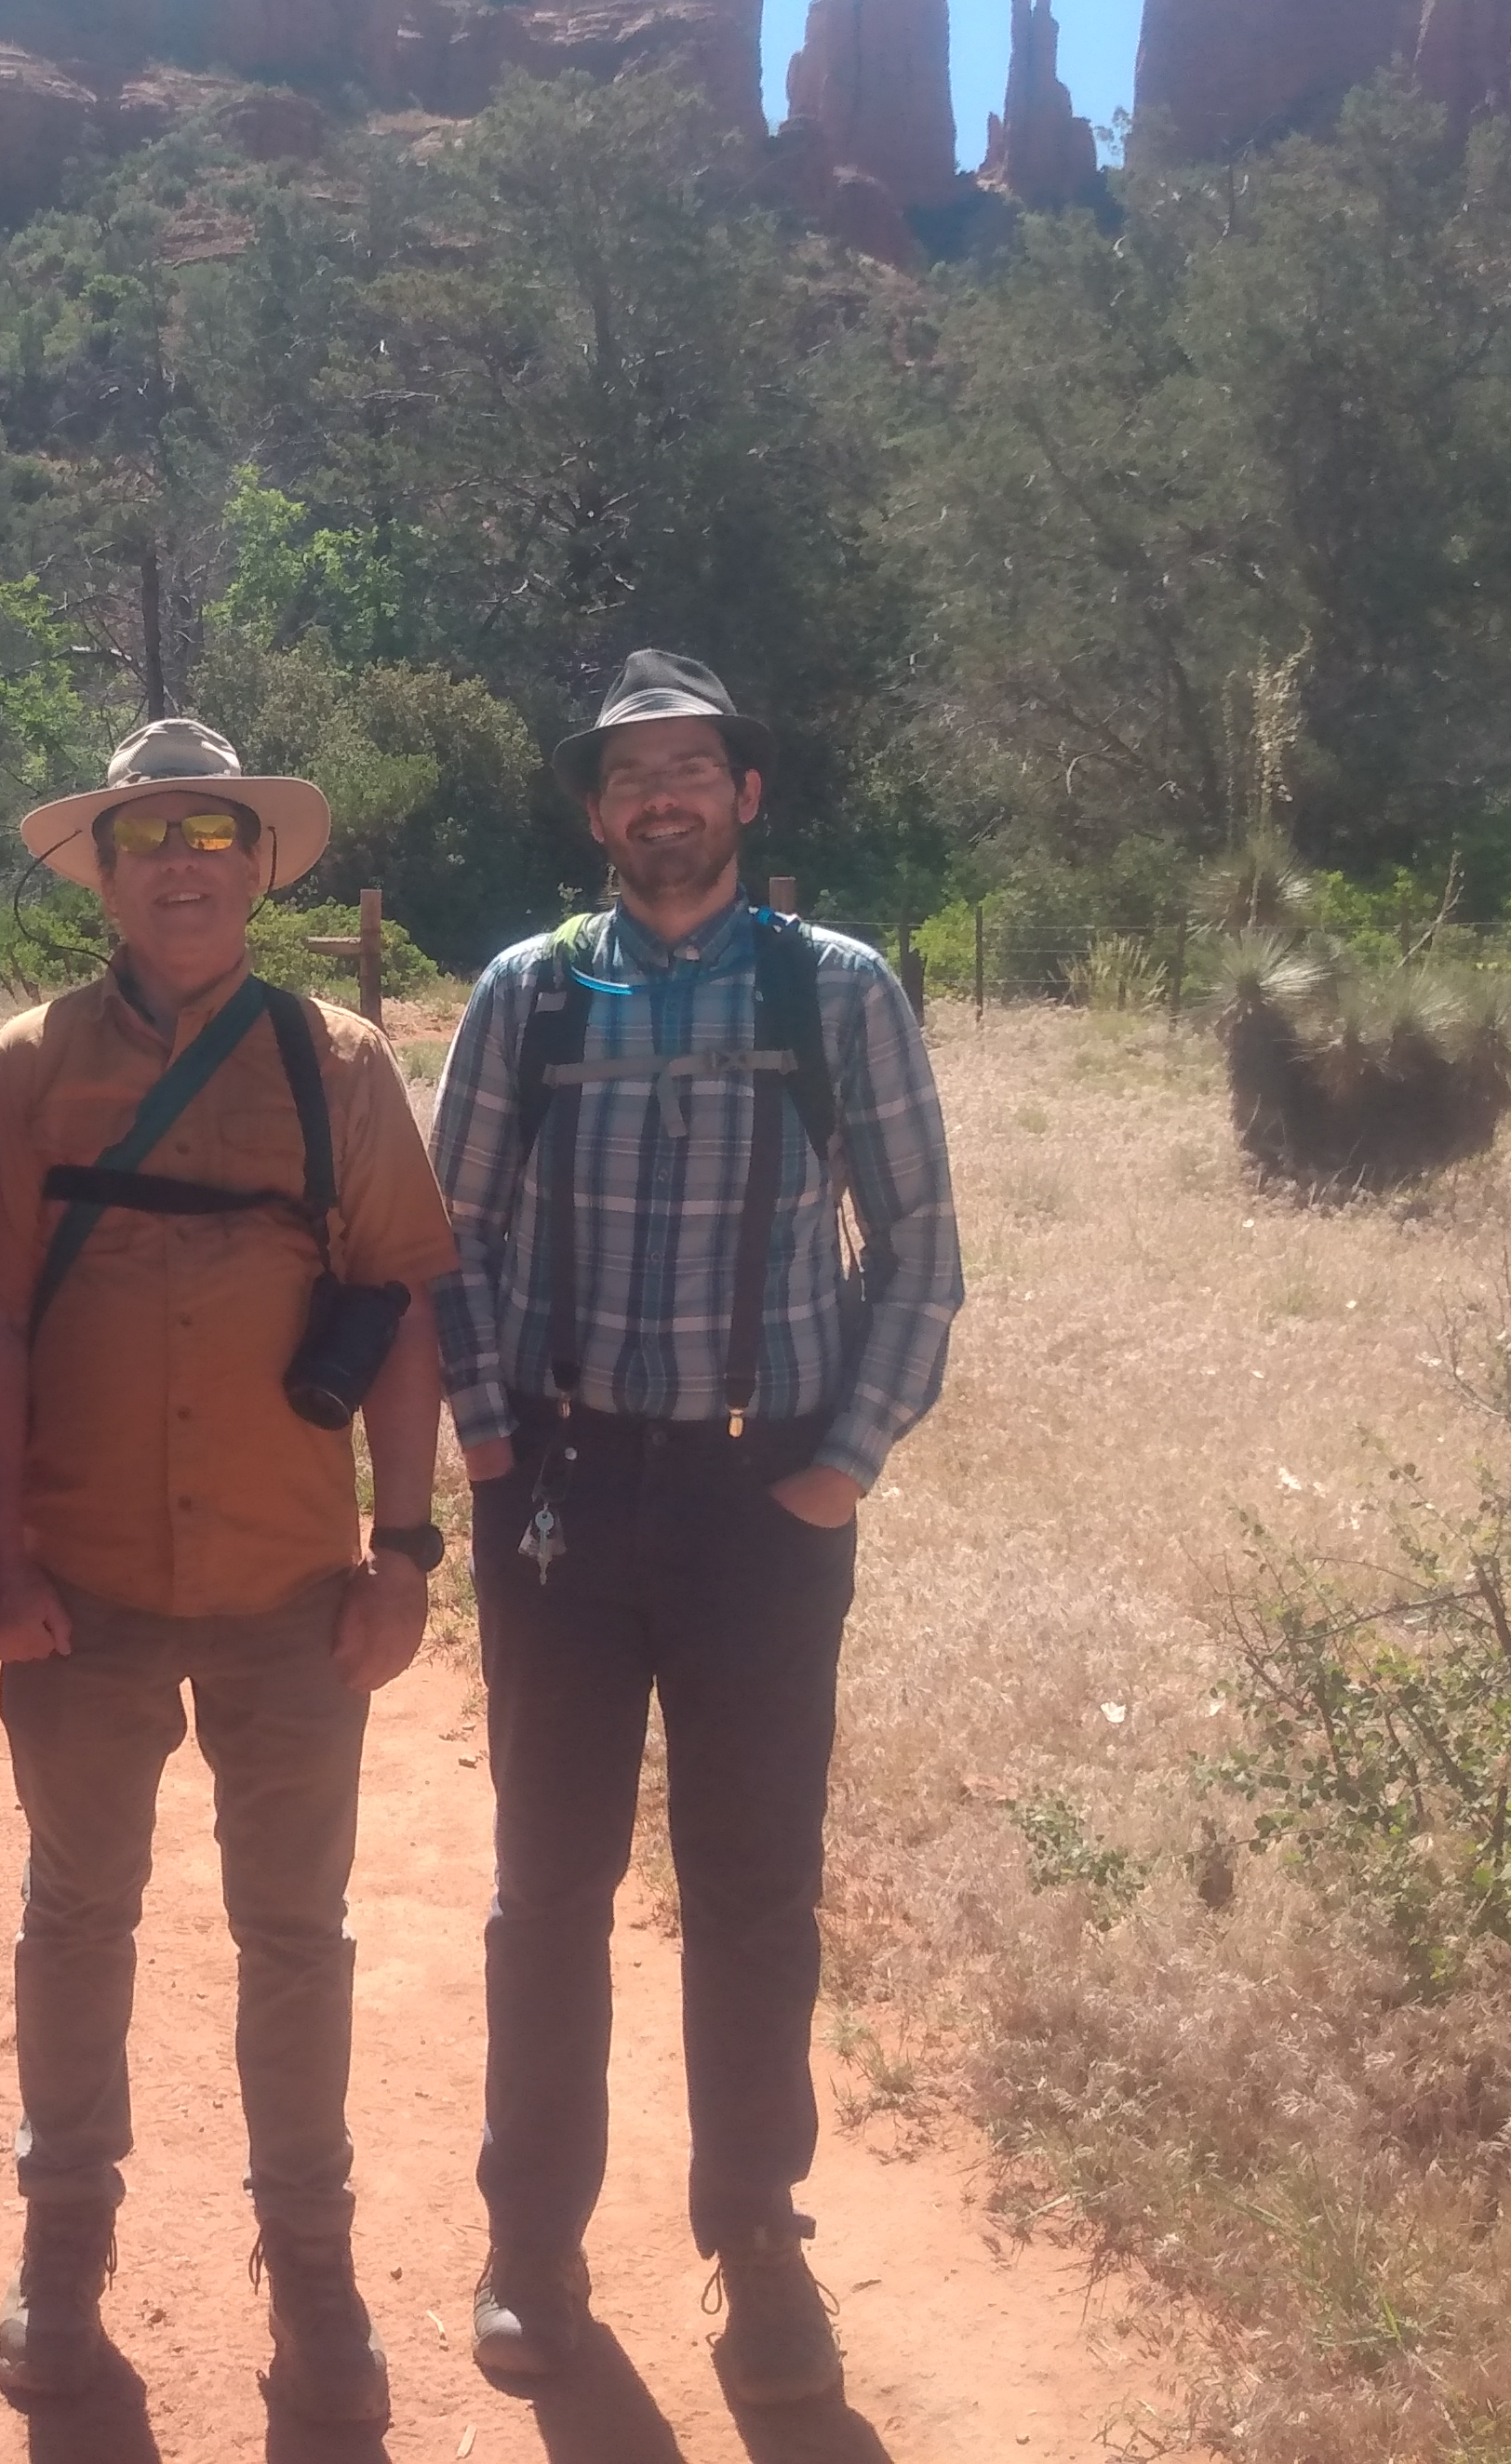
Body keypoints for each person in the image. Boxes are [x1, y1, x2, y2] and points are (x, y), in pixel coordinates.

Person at [428, 651, 964, 2411]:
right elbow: (458, 1244)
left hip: (765, 1499)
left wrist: (846, 1461)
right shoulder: (533, 996)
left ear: (747, 795)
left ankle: (754, 2232)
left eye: (693, 769)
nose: (662, 799)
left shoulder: (839, 993)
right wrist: (496, 1445)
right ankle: (534, 2242)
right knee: (548, 1892)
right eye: (631, 775)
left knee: (754, 1890)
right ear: (597, 813)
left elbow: (918, 1245)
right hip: (566, 1499)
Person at [0, 717, 461, 2428]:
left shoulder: (343, 1069)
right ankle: (62, 2260)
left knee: (295, 1937)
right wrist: (0, 1551)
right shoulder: (30, 1068)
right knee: (75, 1920)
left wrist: (406, 1549)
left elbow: (396, 1305)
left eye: (216, 832)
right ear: (103, 869)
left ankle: (312, 2277)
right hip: (81, 1587)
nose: (184, 859)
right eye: (149, 832)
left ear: (258, 866)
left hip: (287, 1586)